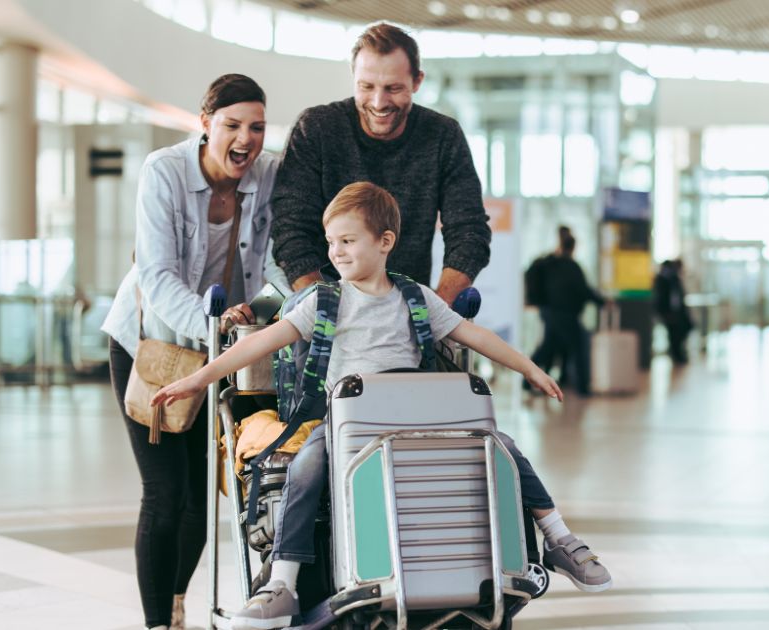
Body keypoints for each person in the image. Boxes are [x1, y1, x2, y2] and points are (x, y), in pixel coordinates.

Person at [155, 183, 612, 630]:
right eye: (332, 241)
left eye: (348, 240)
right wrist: (197, 379)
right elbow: (260, 345)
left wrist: (529, 368)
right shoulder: (323, 302)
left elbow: (476, 337)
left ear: (385, 242)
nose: (336, 251)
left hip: (415, 419)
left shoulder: (415, 299)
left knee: (504, 447)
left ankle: (558, 538)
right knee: (306, 466)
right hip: (346, 422)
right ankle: (283, 583)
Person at [101, 74, 280, 630]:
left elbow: (278, 260)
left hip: (217, 357)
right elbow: (155, 276)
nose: (245, 139)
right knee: (165, 493)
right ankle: (160, 622)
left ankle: (176, 602)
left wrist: (286, 306)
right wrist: (212, 325)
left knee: (203, 504)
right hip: (150, 348)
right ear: (204, 125)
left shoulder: (269, 175)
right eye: (232, 125)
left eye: (256, 127)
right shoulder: (165, 171)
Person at [270, 21, 489, 304]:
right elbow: (290, 228)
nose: (378, 101)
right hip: (322, 315)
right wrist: (323, 308)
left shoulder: (443, 136)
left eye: (393, 88)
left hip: (409, 316)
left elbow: (469, 231)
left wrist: (435, 312)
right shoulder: (316, 128)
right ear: (353, 78)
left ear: (417, 81)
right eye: (367, 86)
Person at [528, 226, 605, 392]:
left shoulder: (549, 264)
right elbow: (584, 291)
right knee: (578, 347)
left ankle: (529, 380)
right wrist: (602, 302)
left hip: (549, 312)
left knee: (548, 348)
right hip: (565, 315)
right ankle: (583, 388)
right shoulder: (571, 267)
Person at [653, 259, 693, 364]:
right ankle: (677, 355)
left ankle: (678, 354)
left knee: (681, 331)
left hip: (677, 312)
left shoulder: (674, 279)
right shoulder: (664, 279)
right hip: (669, 313)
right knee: (674, 334)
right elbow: (661, 298)